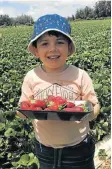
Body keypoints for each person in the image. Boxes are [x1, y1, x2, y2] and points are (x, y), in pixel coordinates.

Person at [17, 14, 100, 169]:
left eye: (60, 42)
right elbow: (24, 105)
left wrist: (90, 114)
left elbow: (94, 104)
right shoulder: (31, 77)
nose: (52, 49)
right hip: (45, 149)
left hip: (78, 148)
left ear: (69, 48)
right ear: (35, 50)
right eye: (44, 43)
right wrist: (22, 112)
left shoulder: (80, 75)